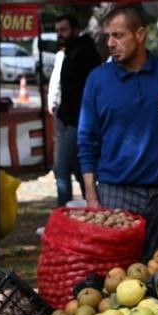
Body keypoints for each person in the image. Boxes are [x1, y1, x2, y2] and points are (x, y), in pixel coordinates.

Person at [79, 5, 158, 255]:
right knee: (117, 271)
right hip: (116, 192)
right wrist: (92, 198)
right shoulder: (97, 79)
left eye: (118, 35)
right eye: (107, 36)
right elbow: (86, 141)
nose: (110, 43)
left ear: (140, 34)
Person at [53, 14, 102, 207]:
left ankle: (62, 211)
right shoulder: (70, 51)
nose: (60, 35)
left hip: (78, 120)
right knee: (78, 169)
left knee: (62, 169)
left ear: (75, 30)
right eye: (57, 31)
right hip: (68, 118)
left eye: (63, 30)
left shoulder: (84, 53)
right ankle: (91, 205)